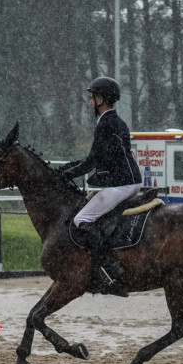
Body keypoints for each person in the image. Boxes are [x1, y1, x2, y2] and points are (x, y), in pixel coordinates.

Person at [59, 76, 142, 296]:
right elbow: (95, 159)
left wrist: (67, 174)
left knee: (81, 220)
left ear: (102, 99)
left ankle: (108, 268)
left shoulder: (107, 123)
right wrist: (66, 169)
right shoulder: (112, 121)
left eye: (93, 97)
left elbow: (92, 161)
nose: (90, 102)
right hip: (127, 179)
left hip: (123, 183)